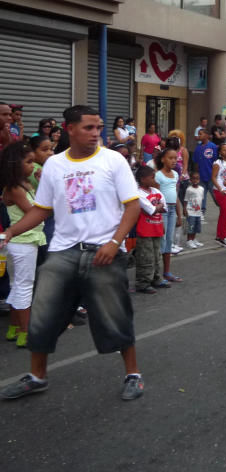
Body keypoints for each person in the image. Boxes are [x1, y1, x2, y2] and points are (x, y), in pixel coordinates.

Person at [0, 105, 144, 401]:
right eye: (88, 128)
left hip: (104, 251)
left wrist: (115, 243)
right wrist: (10, 232)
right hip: (63, 252)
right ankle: (37, 376)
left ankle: (133, 375)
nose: (96, 133)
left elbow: (132, 205)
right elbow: (42, 209)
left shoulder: (113, 160)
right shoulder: (54, 165)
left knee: (115, 316)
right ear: (70, 129)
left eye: (99, 127)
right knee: (42, 316)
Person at [1, 142, 46, 348]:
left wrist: (38, 182)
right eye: (28, 162)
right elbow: (33, 212)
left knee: (17, 286)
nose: (32, 165)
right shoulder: (14, 188)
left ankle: (15, 328)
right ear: (15, 164)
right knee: (24, 287)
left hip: (25, 241)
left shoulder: (24, 184)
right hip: (23, 242)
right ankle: (25, 332)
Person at [133, 166, 167, 294]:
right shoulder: (138, 193)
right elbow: (151, 210)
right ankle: (143, 282)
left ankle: (156, 278)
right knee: (146, 257)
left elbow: (163, 207)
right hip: (145, 229)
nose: (154, 179)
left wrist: (158, 207)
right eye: (151, 177)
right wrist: (158, 206)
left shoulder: (156, 191)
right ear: (142, 179)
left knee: (156, 255)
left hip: (157, 227)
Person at [155, 147, 183, 282]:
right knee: (162, 240)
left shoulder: (175, 175)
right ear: (162, 159)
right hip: (163, 212)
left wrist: (179, 214)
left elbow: (175, 196)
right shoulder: (158, 175)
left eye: (175, 158)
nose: (173, 161)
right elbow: (156, 196)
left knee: (169, 241)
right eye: (170, 158)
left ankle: (167, 272)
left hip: (172, 211)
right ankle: (157, 274)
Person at [211, 143, 226, 247]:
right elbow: (214, 178)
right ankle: (222, 236)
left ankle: (220, 235)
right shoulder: (217, 163)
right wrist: (220, 188)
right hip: (220, 190)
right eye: (224, 150)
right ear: (220, 152)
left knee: (224, 214)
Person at [192, 128, 217, 217]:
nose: (199, 136)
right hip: (201, 176)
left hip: (211, 176)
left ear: (206, 135)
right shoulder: (198, 148)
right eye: (198, 134)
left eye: (201, 134)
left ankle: (221, 207)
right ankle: (201, 212)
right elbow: (195, 162)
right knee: (202, 196)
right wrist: (196, 175)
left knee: (215, 196)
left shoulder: (213, 146)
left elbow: (216, 161)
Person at [184, 172, 204, 249]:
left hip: (198, 212)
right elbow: (185, 200)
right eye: (193, 178)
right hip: (190, 211)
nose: (195, 180)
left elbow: (201, 200)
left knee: (196, 227)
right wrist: (185, 209)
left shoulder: (201, 189)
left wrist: (201, 211)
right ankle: (189, 240)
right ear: (190, 180)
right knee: (191, 227)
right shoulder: (189, 189)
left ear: (199, 180)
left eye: (197, 178)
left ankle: (193, 239)